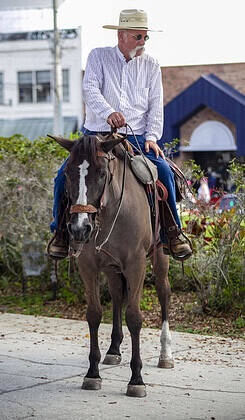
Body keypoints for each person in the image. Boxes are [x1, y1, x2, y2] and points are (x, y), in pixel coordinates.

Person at [48, 9, 192, 260]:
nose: (143, 42)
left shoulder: (152, 65)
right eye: (138, 37)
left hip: (135, 136)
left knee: (165, 173)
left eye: (145, 37)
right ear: (122, 35)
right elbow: (90, 90)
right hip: (95, 134)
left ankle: (173, 233)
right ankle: (60, 233)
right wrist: (108, 112)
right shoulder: (98, 56)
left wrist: (152, 137)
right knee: (62, 177)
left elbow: (156, 104)